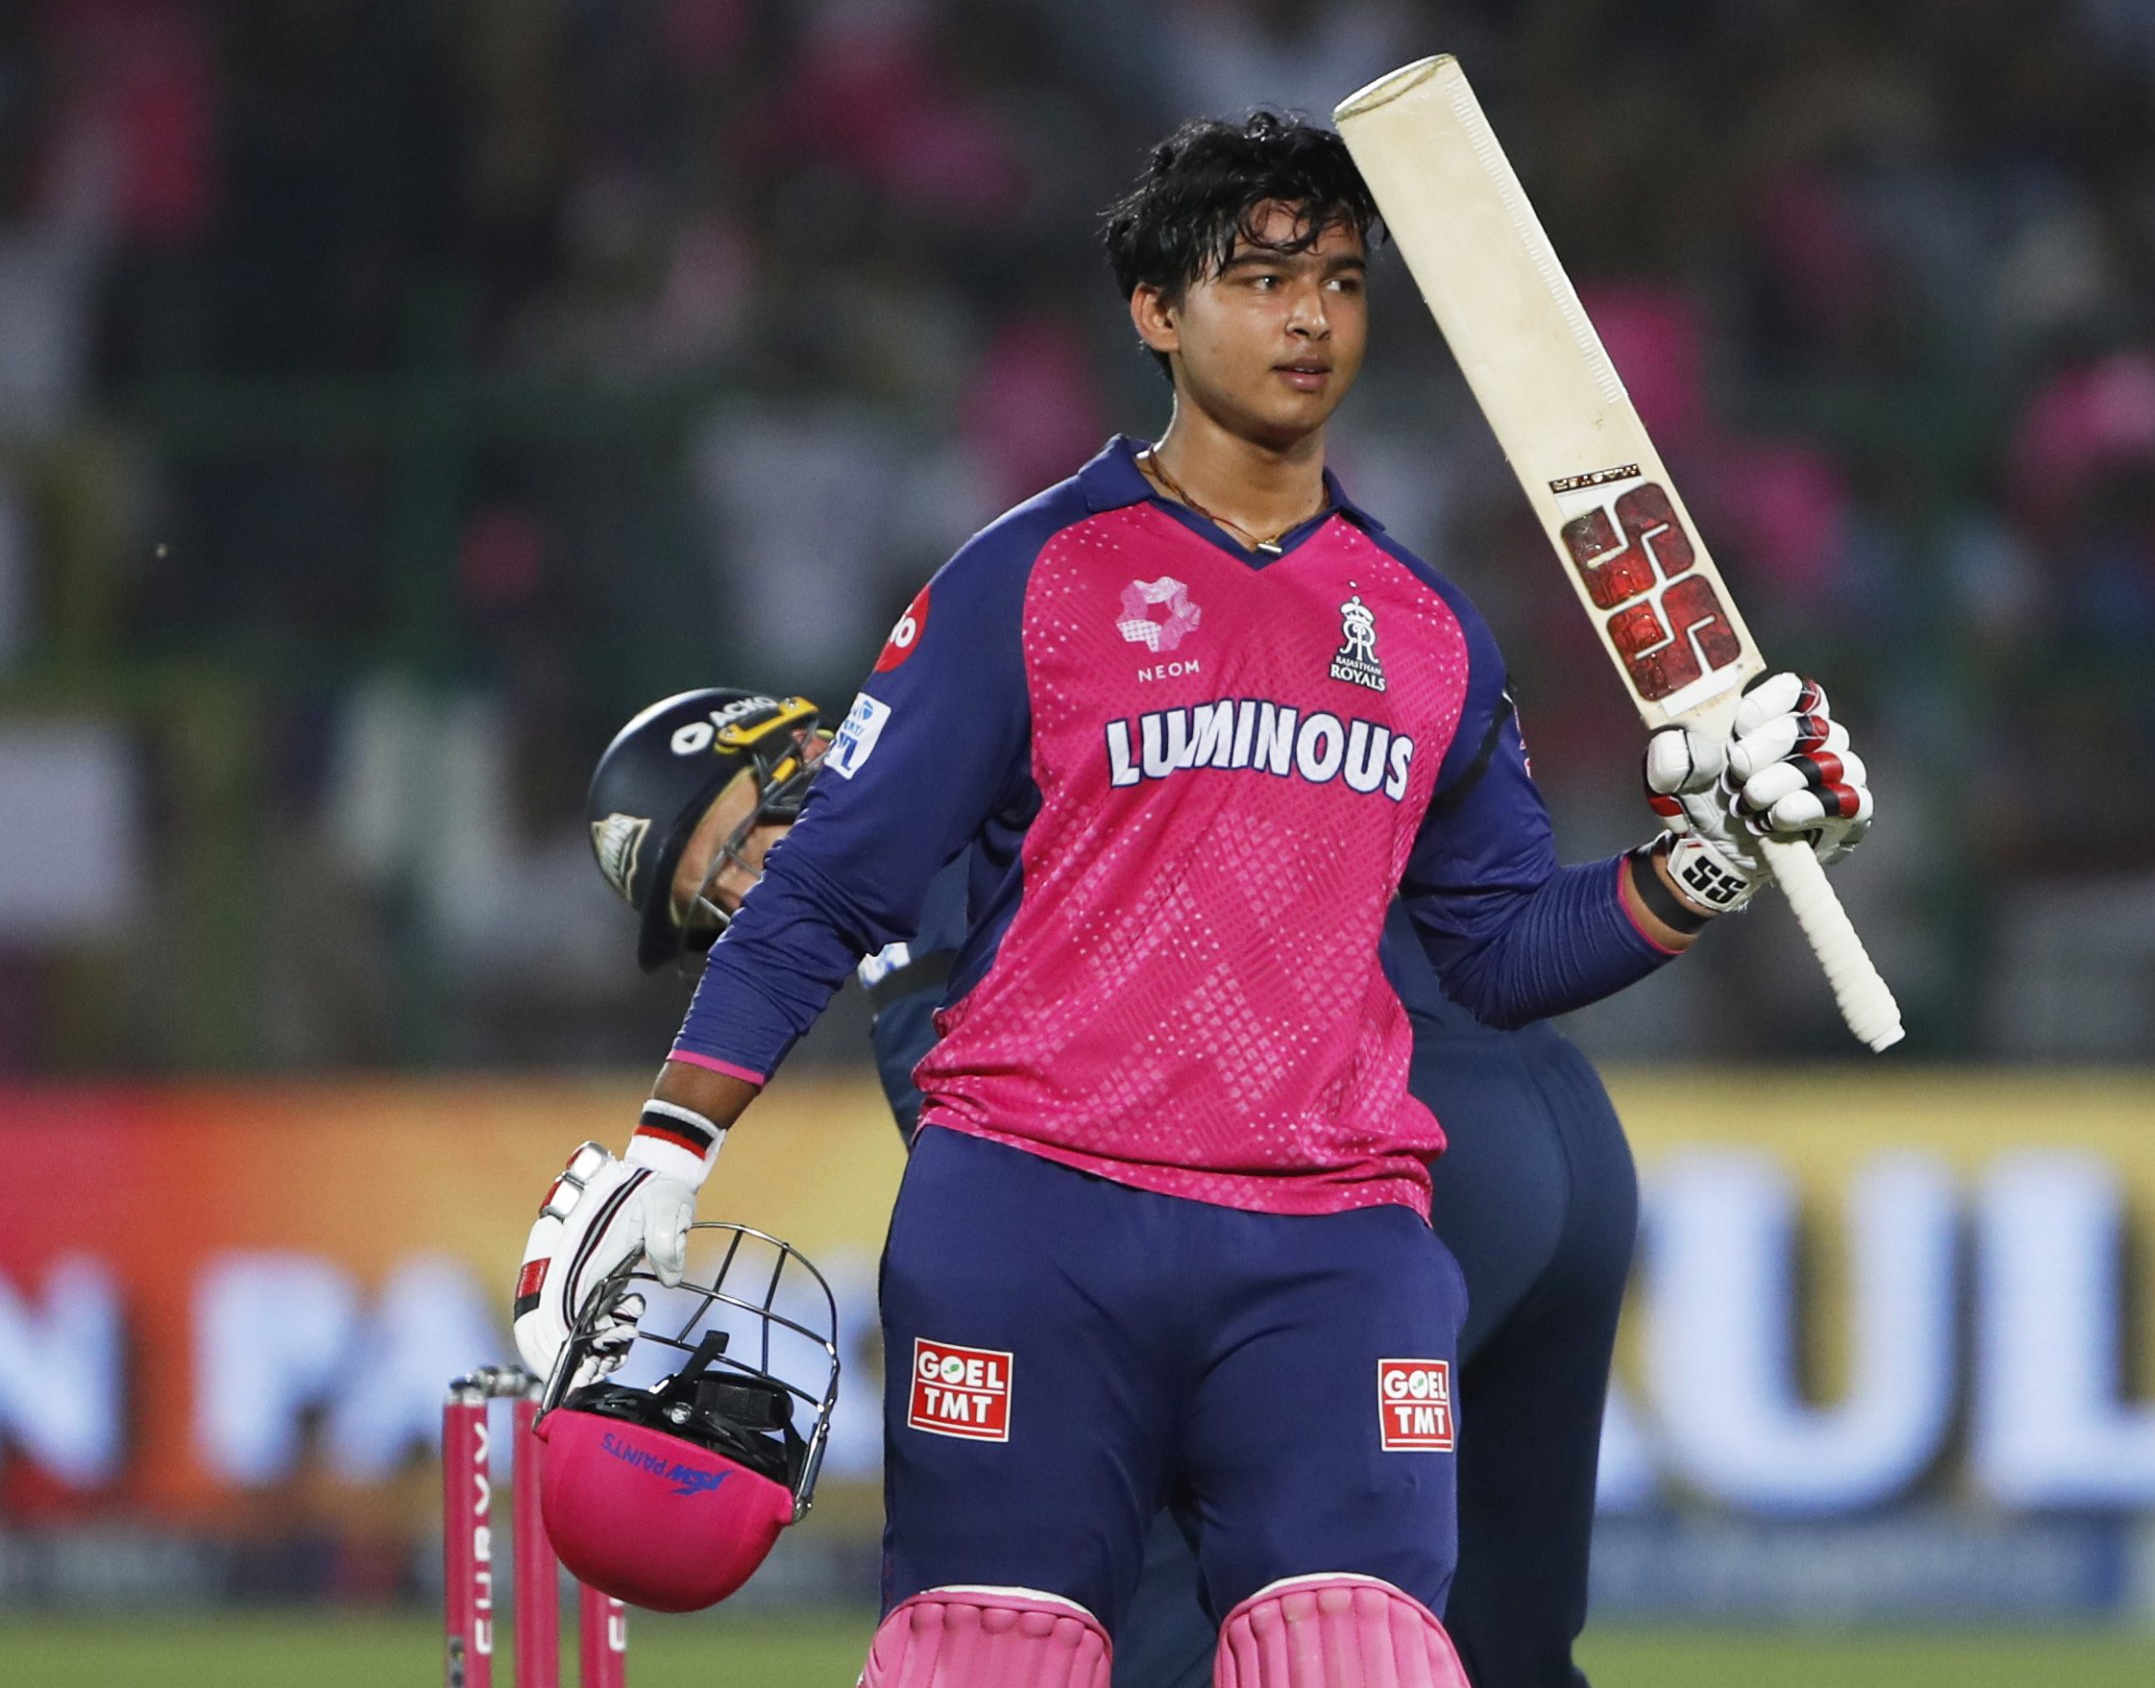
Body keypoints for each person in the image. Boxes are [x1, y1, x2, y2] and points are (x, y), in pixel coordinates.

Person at [521, 111, 1872, 1688]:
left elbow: (1501, 949)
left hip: (1346, 1211)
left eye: (1343, 280)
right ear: (1154, 310)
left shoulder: (1425, 625)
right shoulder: (1025, 577)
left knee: (1365, 1654)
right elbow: (823, 891)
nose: (1310, 318)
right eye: (1262, 278)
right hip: (1049, 1211)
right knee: (1005, 1654)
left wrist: (1699, 862)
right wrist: (669, 1153)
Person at [586, 684, 1633, 1688]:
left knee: (1140, 1621)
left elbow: (1015, 1197)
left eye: (725, 853)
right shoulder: (1040, 712)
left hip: (1386, 1165)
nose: (738, 901)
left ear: (799, 756)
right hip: (1559, 1138)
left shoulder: (909, 835)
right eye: (708, 909)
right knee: (1506, 1657)